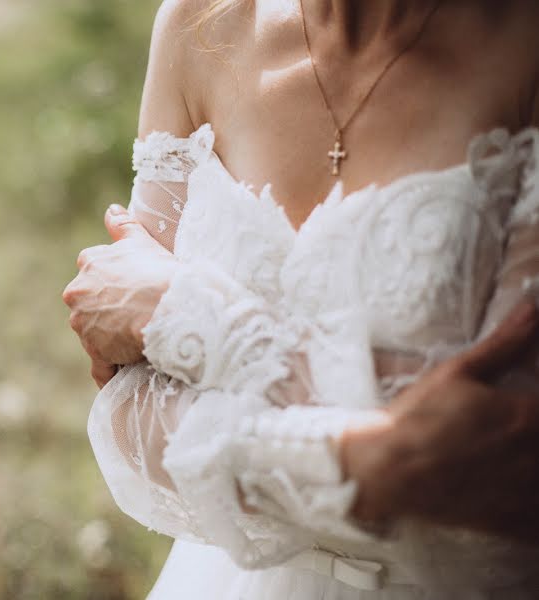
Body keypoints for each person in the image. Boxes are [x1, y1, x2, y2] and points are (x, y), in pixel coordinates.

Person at [62, 0, 539, 597]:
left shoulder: (523, 48)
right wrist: (370, 460)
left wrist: (197, 319)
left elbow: (503, 455)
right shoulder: (198, 23)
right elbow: (130, 409)